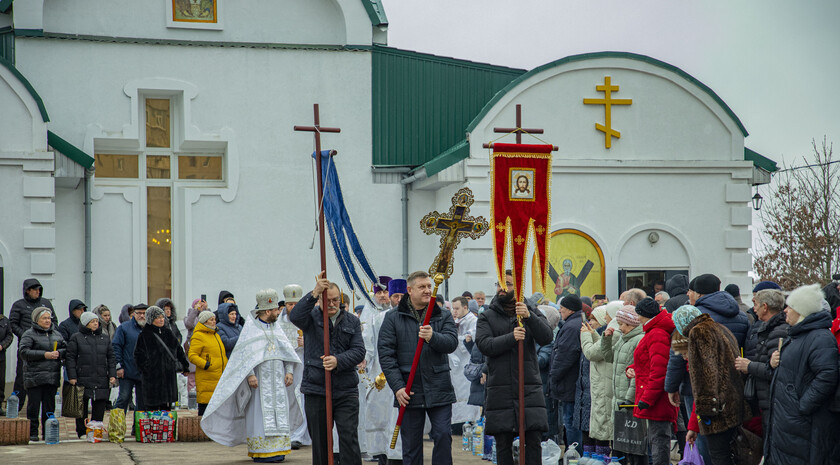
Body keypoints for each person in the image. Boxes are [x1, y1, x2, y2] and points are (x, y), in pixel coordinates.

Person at [202, 288, 300, 463]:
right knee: (260, 415)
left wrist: (290, 371)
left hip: (277, 381)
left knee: (279, 414)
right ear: (268, 311)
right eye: (276, 310)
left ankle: (279, 449)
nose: (278, 312)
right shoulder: (251, 329)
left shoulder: (277, 328)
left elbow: (288, 352)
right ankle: (261, 450)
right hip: (259, 383)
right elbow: (244, 356)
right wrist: (250, 375)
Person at [378, 270, 458, 465]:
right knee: (412, 445)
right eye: (422, 287)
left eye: (429, 286)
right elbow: (386, 355)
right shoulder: (393, 317)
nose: (427, 290)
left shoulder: (442, 315)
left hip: (439, 387)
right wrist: (397, 387)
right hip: (409, 388)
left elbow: (451, 343)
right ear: (409, 290)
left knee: (442, 436)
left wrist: (433, 337)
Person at [476, 270, 553, 465]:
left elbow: (546, 337)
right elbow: (484, 345)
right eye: (500, 284)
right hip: (500, 387)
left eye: (508, 284)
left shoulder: (530, 310)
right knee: (503, 443)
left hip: (528, 386)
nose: (503, 288)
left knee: (534, 440)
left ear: (517, 287)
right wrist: (511, 337)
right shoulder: (488, 315)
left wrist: (529, 317)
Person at [289, 274, 365, 465]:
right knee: (321, 443)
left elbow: (358, 351)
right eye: (327, 300)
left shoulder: (351, 321)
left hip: (345, 390)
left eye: (335, 300)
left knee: (349, 439)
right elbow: (295, 316)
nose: (332, 304)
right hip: (316, 388)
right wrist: (314, 293)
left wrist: (338, 360)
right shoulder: (310, 318)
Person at [765, 284, 840, 464]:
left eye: (790, 307)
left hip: (802, 424)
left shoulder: (819, 337)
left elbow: (827, 374)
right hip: (789, 422)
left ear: (802, 311)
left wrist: (803, 405)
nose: (785, 310)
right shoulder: (798, 335)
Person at [674, 305, 747, 465]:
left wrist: (706, 411)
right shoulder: (719, 328)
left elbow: (705, 374)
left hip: (717, 407)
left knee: (719, 456)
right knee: (728, 453)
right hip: (732, 401)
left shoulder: (698, 333)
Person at [628, 297, 677, 465]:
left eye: (639, 315)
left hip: (657, 397)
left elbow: (659, 371)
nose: (637, 318)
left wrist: (647, 399)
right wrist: (634, 367)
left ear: (645, 315)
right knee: (657, 438)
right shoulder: (654, 331)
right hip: (655, 394)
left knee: (659, 439)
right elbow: (650, 362)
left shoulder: (656, 333)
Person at [364, 278, 407, 465]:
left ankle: (399, 456)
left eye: (401, 296)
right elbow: (368, 343)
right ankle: (382, 454)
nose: (398, 299)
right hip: (382, 374)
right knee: (381, 416)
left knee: (400, 417)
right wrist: (363, 358)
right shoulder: (379, 318)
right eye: (395, 296)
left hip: (405, 375)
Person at [734, 288, 787, 434]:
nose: (754, 309)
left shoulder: (778, 331)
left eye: (756, 304)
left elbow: (776, 370)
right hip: (766, 399)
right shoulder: (769, 328)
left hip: (773, 400)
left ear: (765, 307)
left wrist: (749, 366)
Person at [603, 305, 644, 465]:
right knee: (621, 442)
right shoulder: (623, 339)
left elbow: (637, 372)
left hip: (628, 400)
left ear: (633, 324)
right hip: (619, 398)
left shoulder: (639, 340)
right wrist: (605, 339)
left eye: (623, 324)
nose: (620, 328)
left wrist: (628, 400)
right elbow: (609, 357)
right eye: (619, 323)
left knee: (634, 444)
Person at [66, 312, 116, 438]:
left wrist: (112, 374)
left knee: (100, 405)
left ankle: (96, 430)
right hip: (83, 377)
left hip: (101, 377)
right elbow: (70, 358)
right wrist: (72, 376)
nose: (95, 323)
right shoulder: (76, 337)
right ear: (85, 323)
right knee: (81, 407)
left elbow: (111, 357)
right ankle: (82, 431)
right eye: (92, 321)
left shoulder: (104, 338)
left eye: (96, 321)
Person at [18, 307, 65, 442]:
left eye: (49, 318)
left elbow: (65, 348)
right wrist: (45, 355)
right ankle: (33, 433)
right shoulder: (29, 334)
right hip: (34, 377)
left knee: (49, 407)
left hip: (51, 377)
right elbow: (24, 352)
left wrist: (59, 353)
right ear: (36, 319)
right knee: (33, 406)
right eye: (44, 318)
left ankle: (47, 432)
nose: (47, 321)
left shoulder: (56, 334)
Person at [10, 278, 56, 407]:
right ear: (27, 291)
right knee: (22, 374)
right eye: (34, 289)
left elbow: (54, 322)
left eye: (39, 289)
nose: (37, 292)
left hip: (45, 345)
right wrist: (25, 336)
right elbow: (13, 324)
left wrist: (51, 335)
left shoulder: (46, 303)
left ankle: (44, 404)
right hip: (27, 346)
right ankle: (17, 405)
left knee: (45, 374)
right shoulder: (19, 305)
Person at [134, 306, 189, 411]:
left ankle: (165, 427)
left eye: (162, 317)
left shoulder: (168, 332)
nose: (161, 319)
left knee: (166, 410)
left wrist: (185, 366)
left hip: (168, 377)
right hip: (153, 379)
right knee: (152, 409)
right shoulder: (145, 335)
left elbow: (178, 350)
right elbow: (138, 355)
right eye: (158, 317)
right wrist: (147, 369)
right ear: (151, 319)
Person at [549, 294, 584, 453]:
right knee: (571, 421)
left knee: (570, 421)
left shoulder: (571, 327)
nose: (560, 310)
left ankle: (573, 455)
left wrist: (554, 376)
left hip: (569, 382)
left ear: (570, 309)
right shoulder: (574, 323)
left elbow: (565, 355)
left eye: (562, 307)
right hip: (571, 381)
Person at [580, 305, 613, 458]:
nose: (590, 322)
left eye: (595, 319)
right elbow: (600, 346)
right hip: (597, 386)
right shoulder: (609, 333)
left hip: (603, 387)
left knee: (603, 425)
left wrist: (586, 335)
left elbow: (591, 352)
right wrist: (593, 334)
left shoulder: (612, 333)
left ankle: (602, 458)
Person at [280, 284, 310, 450]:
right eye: (290, 304)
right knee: (289, 400)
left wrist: (307, 342)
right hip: (286, 366)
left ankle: (300, 434)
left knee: (302, 398)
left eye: (296, 304)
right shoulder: (279, 323)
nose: (293, 307)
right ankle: (290, 432)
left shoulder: (307, 319)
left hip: (304, 363)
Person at [113, 303, 147, 424]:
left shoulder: (149, 328)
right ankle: (117, 426)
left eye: (144, 313)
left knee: (142, 402)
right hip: (127, 371)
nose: (142, 316)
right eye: (139, 313)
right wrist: (119, 366)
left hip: (144, 372)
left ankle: (138, 429)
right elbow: (116, 347)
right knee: (124, 398)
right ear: (133, 314)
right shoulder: (124, 328)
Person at [188, 310, 228, 416]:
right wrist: (206, 365)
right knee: (205, 409)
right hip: (207, 378)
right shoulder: (199, 336)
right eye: (211, 320)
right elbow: (192, 355)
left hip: (219, 377)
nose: (214, 322)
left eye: (214, 319)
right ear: (204, 322)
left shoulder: (216, 335)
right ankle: (201, 432)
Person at [449, 296, 481, 426]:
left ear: (465, 307)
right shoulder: (454, 320)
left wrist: (455, 338)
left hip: (467, 361)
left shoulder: (473, 321)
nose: (454, 311)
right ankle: (456, 423)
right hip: (455, 364)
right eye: (453, 308)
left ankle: (469, 420)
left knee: (466, 391)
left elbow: (469, 339)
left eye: (457, 308)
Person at [0, 309, 12, 415]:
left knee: (0, 381)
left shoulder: (4, 320)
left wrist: (2, 345)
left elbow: (9, 336)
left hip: (0, 356)